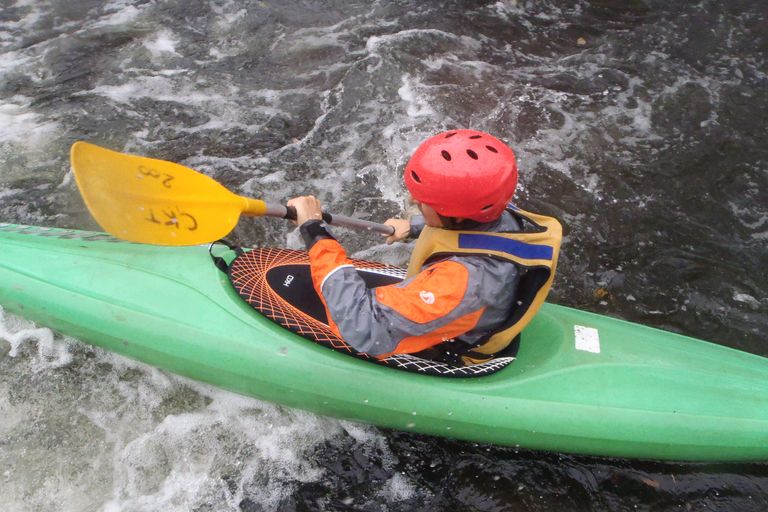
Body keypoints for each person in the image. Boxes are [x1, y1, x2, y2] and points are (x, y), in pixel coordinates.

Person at [287, 129, 561, 366]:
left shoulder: (461, 283)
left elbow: (366, 329)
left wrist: (315, 232)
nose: (412, 199)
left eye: (422, 201)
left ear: (451, 213)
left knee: (355, 318)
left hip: (451, 348)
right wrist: (415, 226)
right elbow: (472, 233)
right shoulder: (498, 211)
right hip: (477, 300)